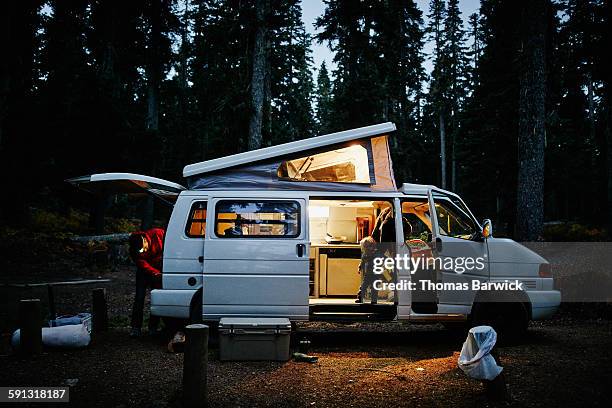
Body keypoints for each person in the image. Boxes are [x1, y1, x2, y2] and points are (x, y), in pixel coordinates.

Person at [128, 227, 165, 337]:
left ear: (144, 240)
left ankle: (153, 327)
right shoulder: (134, 249)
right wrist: (154, 273)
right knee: (139, 298)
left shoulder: (158, 233)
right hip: (144, 272)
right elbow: (141, 263)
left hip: (159, 268)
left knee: (156, 298)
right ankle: (135, 328)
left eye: (142, 249)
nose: (142, 251)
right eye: (140, 251)